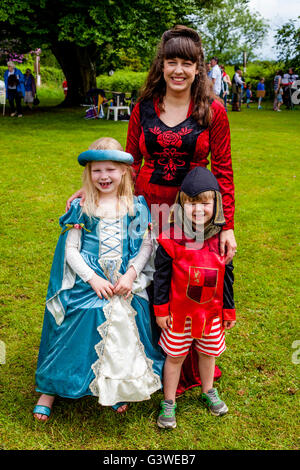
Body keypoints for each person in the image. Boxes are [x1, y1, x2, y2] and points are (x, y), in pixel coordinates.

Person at [66, 25, 237, 396]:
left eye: (186, 63)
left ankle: (189, 364)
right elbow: (126, 161)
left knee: (186, 281)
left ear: (198, 67)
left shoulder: (214, 111)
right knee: (145, 280)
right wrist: (87, 191)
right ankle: (141, 362)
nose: (178, 70)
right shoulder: (143, 109)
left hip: (194, 214)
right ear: (161, 65)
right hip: (145, 207)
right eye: (171, 61)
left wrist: (227, 226)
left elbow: (222, 169)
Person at [33, 137, 164, 422]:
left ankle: (118, 385)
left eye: (111, 170)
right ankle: (50, 389)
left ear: (124, 172)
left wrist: (130, 275)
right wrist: (93, 279)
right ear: (88, 174)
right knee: (79, 318)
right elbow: (71, 250)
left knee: (128, 319)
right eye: (97, 171)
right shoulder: (82, 207)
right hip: (87, 282)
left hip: (123, 281)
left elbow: (145, 245)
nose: (104, 176)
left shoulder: (136, 206)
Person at [153, 167, 236, 429]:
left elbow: (227, 278)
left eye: (205, 202)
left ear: (217, 204)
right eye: (191, 203)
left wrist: (228, 310)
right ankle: (168, 401)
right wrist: (161, 309)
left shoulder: (221, 240)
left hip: (210, 314)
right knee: (175, 356)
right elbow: (161, 277)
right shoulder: (171, 238)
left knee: (208, 353)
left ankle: (208, 390)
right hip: (178, 315)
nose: (198, 209)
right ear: (181, 205)